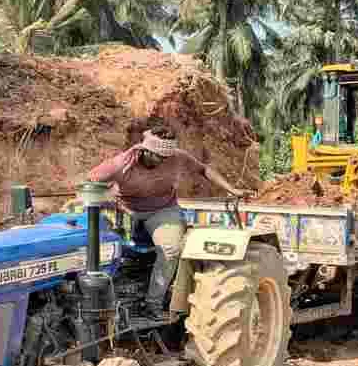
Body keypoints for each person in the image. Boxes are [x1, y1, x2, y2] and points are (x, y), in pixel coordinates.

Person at [87, 119, 246, 318]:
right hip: (126, 210)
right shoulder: (121, 163)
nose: (162, 161)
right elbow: (90, 181)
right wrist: (108, 201)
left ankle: (152, 303)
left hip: (162, 210)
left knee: (170, 250)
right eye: (158, 157)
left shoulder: (176, 157)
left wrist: (232, 189)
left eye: (166, 157)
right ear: (144, 151)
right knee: (105, 248)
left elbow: (204, 170)